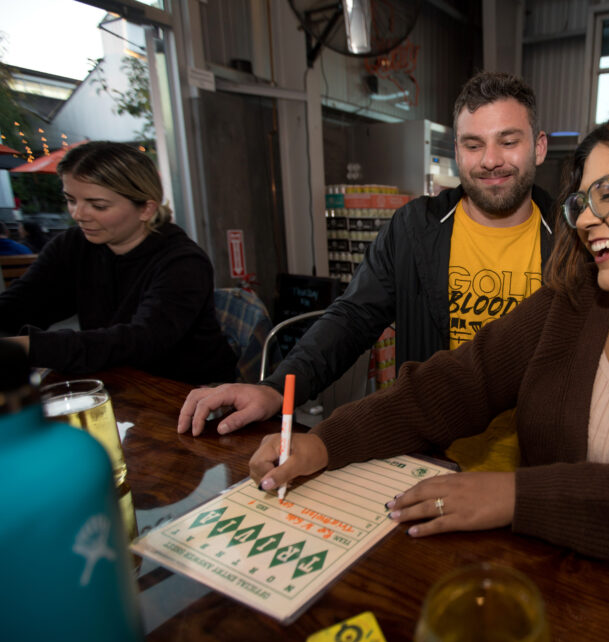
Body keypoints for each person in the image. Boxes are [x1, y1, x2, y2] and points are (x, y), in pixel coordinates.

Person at [248, 108, 609, 579]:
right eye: (581, 202)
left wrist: (519, 497)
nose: (587, 220)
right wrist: (325, 443)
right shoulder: (568, 308)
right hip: (571, 598)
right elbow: (451, 385)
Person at [178, 72, 555, 474]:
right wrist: (276, 390)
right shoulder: (414, 229)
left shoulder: (573, 238)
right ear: (457, 153)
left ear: (539, 147)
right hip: (430, 463)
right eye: (473, 144)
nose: (490, 159)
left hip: (535, 474)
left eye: (508, 141)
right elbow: (352, 318)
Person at [0, 141, 237, 384]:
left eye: (98, 205)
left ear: (146, 208)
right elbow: (23, 301)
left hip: (189, 392)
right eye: (71, 200)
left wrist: (30, 346)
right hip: (118, 383)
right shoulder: (73, 244)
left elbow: (141, 342)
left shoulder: (183, 262)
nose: (78, 214)